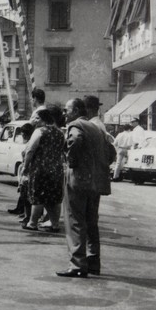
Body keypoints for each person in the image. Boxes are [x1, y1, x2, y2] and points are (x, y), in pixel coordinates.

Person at [56, 98, 116, 278]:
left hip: (79, 181)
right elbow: (111, 152)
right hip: (96, 182)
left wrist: (72, 161)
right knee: (91, 222)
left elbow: (75, 140)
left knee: (75, 221)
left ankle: (77, 265)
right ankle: (93, 262)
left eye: (67, 110)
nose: (64, 114)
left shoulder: (76, 126)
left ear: (75, 111)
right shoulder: (96, 127)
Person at [21, 108, 65, 232]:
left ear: (44, 119)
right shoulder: (60, 132)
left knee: (38, 195)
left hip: (40, 168)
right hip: (56, 169)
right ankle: (55, 224)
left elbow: (30, 150)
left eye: (38, 118)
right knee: (54, 198)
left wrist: (25, 167)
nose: (35, 120)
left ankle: (32, 223)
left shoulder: (39, 131)